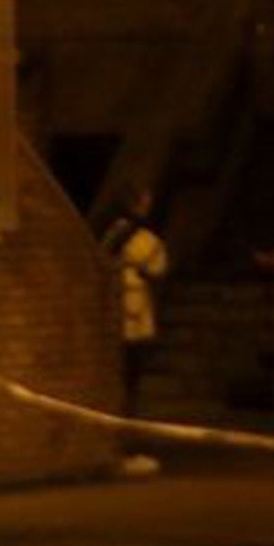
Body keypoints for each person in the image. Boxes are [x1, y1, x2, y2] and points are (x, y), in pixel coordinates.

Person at [100, 188, 167, 476]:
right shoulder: (141, 238)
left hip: (120, 319)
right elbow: (158, 266)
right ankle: (125, 445)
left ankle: (122, 442)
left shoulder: (111, 232)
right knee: (128, 386)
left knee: (124, 385)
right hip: (132, 322)